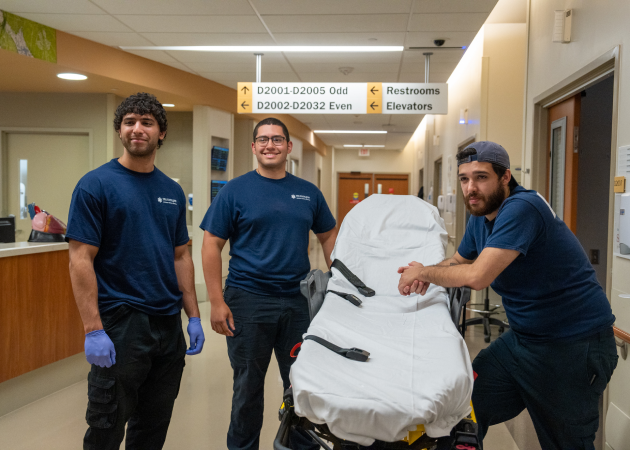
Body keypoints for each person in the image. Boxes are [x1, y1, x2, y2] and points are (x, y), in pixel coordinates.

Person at [397, 141, 617, 449]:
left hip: (573, 347)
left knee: (566, 443)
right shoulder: (480, 217)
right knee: (460, 406)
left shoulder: (522, 208)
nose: (471, 188)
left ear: (505, 178)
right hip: (523, 341)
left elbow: (477, 276)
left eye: (481, 177)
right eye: (464, 179)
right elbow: (460, 261)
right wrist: (427, 273)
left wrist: (425, 273)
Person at [67, 92, 205, 450]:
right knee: (106, 425)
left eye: (147, 122)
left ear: (161, 133)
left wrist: (193, 315)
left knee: (153, 427)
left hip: (166, 325)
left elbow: (181, 256)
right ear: (119, 130)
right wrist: (92, 329)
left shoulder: (171, 191)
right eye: (129, 122)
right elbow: (80, 258)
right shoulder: (96, 185)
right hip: (121, 324)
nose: (137, 129)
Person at [200, 117, 337, 450]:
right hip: (248, 301)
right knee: (248, 388)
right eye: (263, 140)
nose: (270, 145)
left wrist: (339, 285)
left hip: (298, 302)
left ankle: (300, 446)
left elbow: (329, 234)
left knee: (302, 383)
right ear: (253, 147)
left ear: (289, 147)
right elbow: (210, 245)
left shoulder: (308, 193)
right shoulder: (235, 191)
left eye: (277, 140)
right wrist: (217, 302)